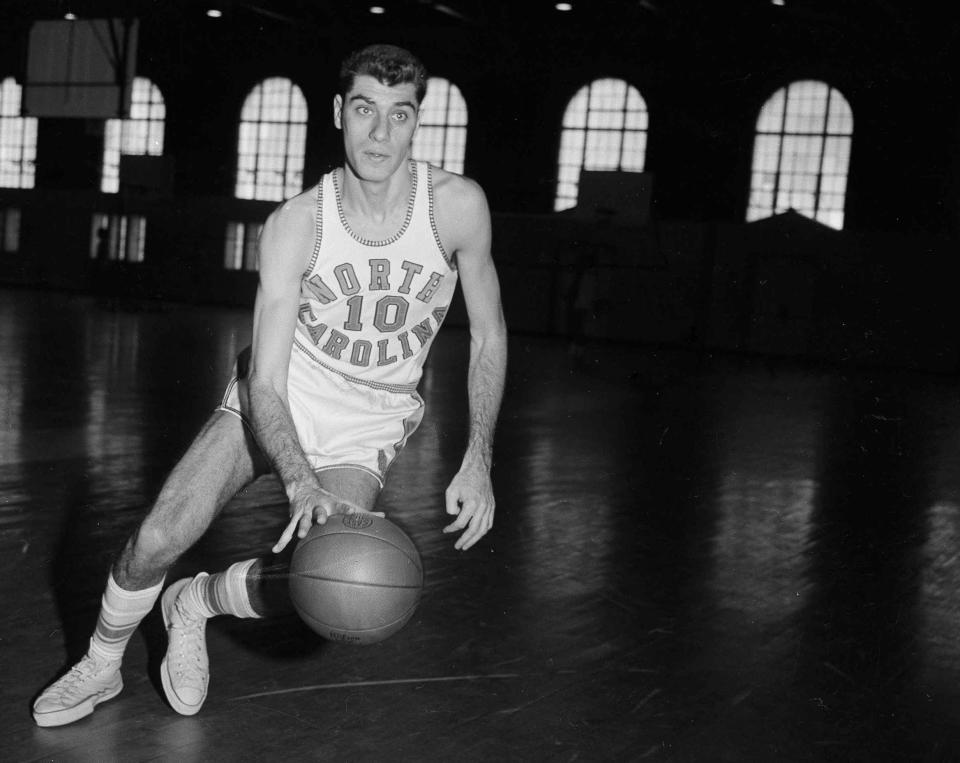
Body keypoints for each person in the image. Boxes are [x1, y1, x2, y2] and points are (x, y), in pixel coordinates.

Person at [32, 43, 508, 727]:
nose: (380, 133)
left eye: (399, 115)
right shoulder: (298, 225)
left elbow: (489, 334)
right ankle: (103, 664)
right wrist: (297, 478)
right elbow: (265, 379)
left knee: (330, 584)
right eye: (366, 111)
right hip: (283, 390)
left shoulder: (457, 208)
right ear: (340, 112)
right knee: (159, 533)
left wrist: (480, 456)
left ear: (416, 123)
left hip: (369, 418)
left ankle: (194, 602)